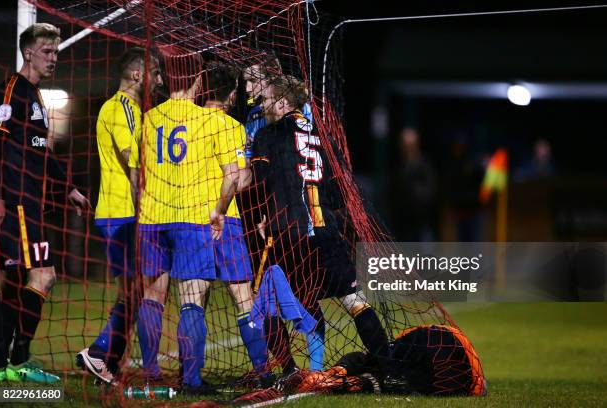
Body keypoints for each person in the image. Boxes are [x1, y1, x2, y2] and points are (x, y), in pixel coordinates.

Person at [131, 57, 268, 394]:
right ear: (196, 82)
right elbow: (236, 178)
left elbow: (136, 172)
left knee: (153, 295)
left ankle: (150, 371)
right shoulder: (213, 122)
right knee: (207, 298)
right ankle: (212, 377)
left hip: (152, 217)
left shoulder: (147, 119)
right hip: (201, 218)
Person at [251, 75, 395, 385]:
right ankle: (390, 369)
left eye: (267, 101)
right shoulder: (323, 136)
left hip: (287, 231)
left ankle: (290, 371)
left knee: (269, 303)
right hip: (327, 231)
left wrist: (263, 215)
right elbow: (337, 192)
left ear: (282, 102)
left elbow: (259, 183)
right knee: (354, 301)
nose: (264, 108)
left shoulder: (268, 135)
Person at [0, 23, 90, 383]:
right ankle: (15, 359)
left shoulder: (36, 96)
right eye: (48, 51)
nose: (54, 58)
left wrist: (69, 189)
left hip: (31, 202)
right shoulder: (12, 92)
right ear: (29, 52)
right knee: (42, 275)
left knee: (19, 280)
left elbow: (43, 151)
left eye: (56, 52)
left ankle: (6, 362)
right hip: (16, 200)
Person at [76, 47, 163, 384]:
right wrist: (145, 214)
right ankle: (99, 354)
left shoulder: (130, 109)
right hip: (124, 214)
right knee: (137, 291)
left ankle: (106, 360)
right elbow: (133, 162)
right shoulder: (122, 108)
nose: (159, 81)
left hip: (121, 213)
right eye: (155, 73)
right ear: (137, 76)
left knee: (135, 291)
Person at [297, 324, 487, 396]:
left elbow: (365, 357)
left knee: (385, 372)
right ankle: (339, 380)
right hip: (450, 351)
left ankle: (337, 377)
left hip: (445, 347)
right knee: (389, 377)